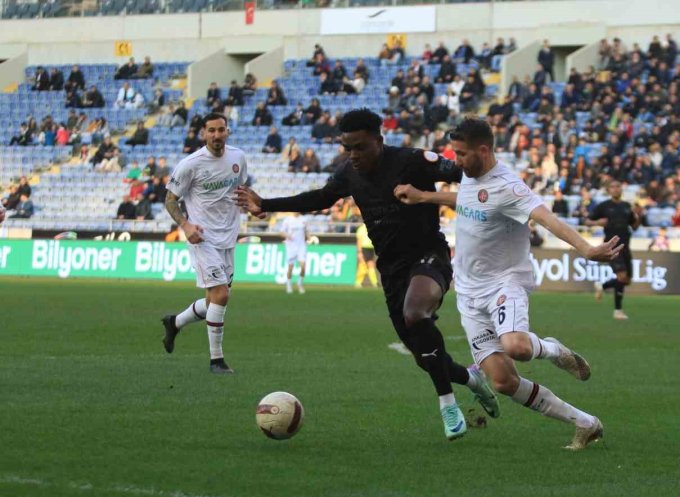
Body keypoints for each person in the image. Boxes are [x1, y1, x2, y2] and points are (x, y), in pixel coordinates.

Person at [236, 108, 498, 441]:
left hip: (428, 255)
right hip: (390, 269)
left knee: (416, 314)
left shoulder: (413, 161)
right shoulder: (348, 173)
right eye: (348, 147)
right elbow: (318, 198)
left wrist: (492, 192)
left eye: (360, 147)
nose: (353, 155)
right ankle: (472, 380)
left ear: (378, 140)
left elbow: (467, 173)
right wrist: (266, 204)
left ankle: (447, 405)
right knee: (424, 356)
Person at [393, 118, 622, 450]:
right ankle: (586, 423)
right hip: (469, 293)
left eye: (461, 154)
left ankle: (554, 349)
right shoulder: (471, 176)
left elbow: (547, 218)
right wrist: (422, 196)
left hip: (505, 282)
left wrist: (587, 248)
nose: (455, 161)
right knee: (503, 381)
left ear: (483, 151)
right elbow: (465, 200)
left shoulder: (509, 186)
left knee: (516, 346)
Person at [161, 113, 249, 375]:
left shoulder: (238, 158)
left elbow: (239, 191)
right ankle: (216, 360)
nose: (216, 135)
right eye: (211, 130)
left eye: (221, 130)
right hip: (203, 237)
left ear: (227, 132)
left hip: (228, 236)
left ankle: (174, 322)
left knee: (214, 301)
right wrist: (186, 226)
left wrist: (254, 204)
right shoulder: (191, 164)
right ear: (203, 133)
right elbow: (170, 200)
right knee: (222, 295)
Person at [585, 180, 639, 320]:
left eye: (618, 186)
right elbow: (587, 221)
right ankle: (618, 311)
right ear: (608, 190)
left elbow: (635, 226)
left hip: (626, 246)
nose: (616, 189)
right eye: (613, 187)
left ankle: (601, 285)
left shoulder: (627, 206)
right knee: (621, 276)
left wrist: (638, 216)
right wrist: (597, 222)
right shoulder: (604, 206)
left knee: (626, 280)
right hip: (612, 246)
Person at [279, 213, 308, 294]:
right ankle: (289, 285)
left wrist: (309, 237)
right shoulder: (288, 219)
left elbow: (306, 231)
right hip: (291, 246)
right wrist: (288, 235)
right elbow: (281, 232)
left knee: (303, 266)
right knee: (290, 268)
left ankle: (300, 283)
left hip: (301, 246)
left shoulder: (304, 219)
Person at [355, 221, 378, 288]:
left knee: (367, 265)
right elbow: (359, 240)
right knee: (367, 265)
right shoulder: (361, 229)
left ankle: (359, 282)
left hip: (371, 248)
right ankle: (374, 283)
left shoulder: (372, 227)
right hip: (364, 248)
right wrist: (359, 251)